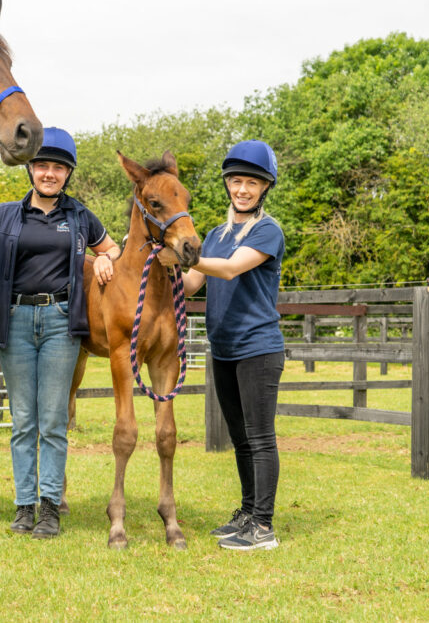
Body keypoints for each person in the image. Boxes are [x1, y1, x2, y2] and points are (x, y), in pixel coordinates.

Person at [0, 127, 120, 538]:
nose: (49, 174)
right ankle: (24, 506)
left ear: (67, 174)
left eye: (58, 168)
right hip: (16, 322)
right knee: (23, 420)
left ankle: (50, 507)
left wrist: (109, 257)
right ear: (31, 170)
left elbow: (112, 248)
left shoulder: (79, 216)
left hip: (61, 323)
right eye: (43, 166)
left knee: (53, 421)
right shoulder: (5, 215)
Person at [182, 139, 286, 551]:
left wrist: (183, 256)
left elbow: (227, 271)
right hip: (223, 348)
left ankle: (263, 526)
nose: (242, 189)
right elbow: (192, 283)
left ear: (264, 188)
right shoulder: (214, 234)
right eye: (236, 181)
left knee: (260, 437)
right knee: (240, 438)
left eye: (252, 183)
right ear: (228, 185)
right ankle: (246, 512)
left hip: (258, 348)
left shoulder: (267, 230)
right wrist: (156, 260)